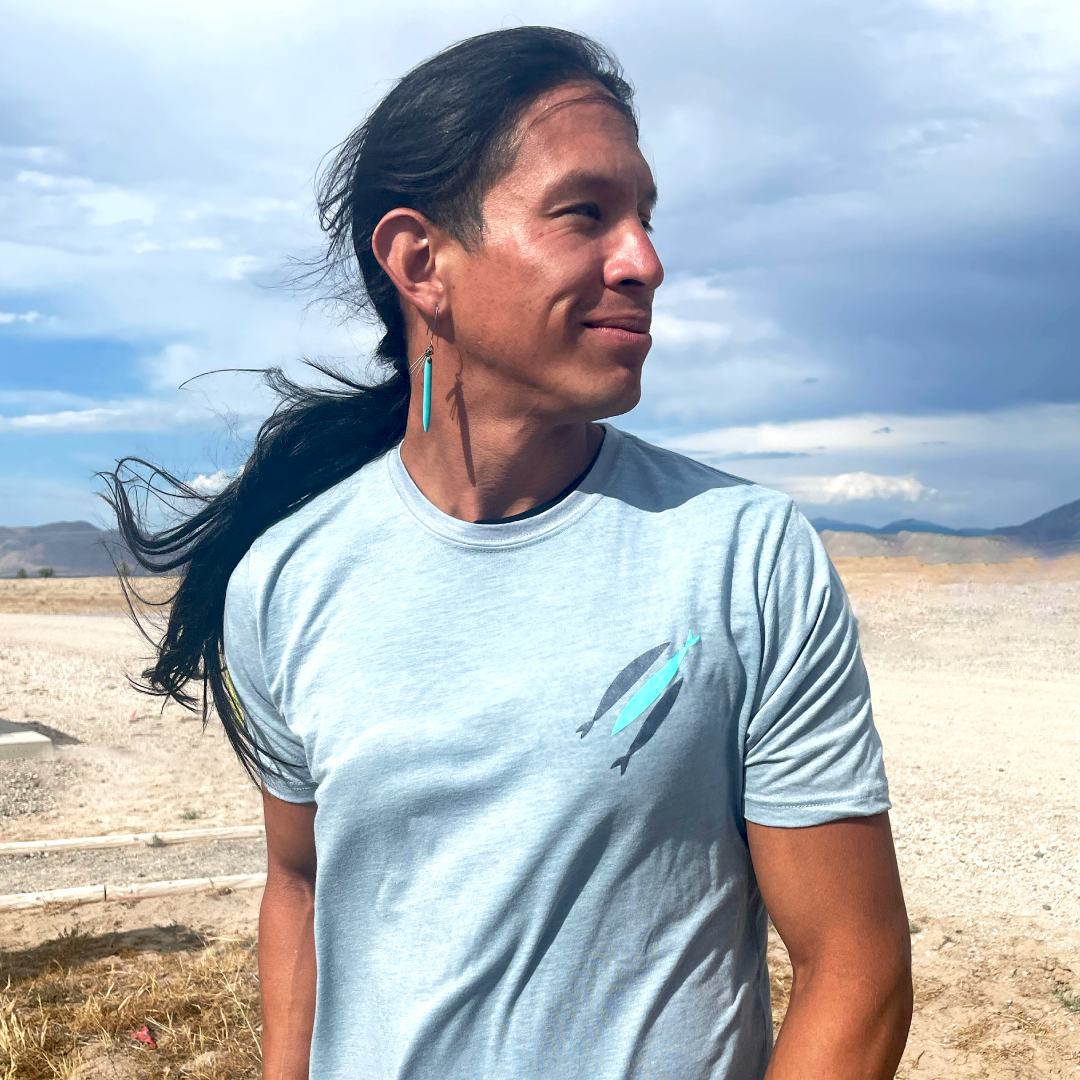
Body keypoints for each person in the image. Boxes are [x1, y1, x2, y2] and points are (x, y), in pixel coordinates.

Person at [107, 26, 912, 1080]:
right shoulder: (287, 580)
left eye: (646, 217)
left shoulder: (743, 556)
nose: (645, 261)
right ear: (421, 262)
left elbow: (856, 967)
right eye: (586, 213)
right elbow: (299, 885)